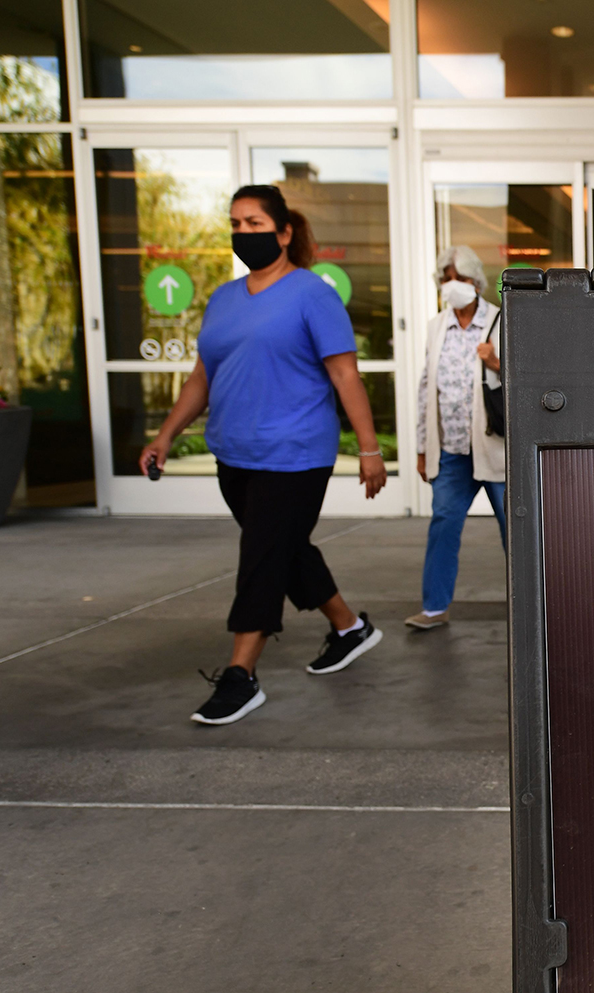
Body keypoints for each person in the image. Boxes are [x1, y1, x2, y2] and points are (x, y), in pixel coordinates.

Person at [141, 184, 387, 726]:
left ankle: (241, 674)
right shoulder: (224, 299)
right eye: (236, 224)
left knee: (260, 559)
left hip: (296, 453)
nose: (243, 233)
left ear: (284, 231)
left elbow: (345, 373)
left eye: (254, 223)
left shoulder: (311, 294)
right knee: (283, 548)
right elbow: (202, 378)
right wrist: (165, 436)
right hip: (235, 454)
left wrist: (370, 450)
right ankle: (351, 629)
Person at [403, 245, 506, 631]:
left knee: (514, 530)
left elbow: (529, 384)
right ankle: (434, 607)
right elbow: (426, 387)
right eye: (447, 279)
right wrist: (421, 446)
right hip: (451, 450)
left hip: (494, 448)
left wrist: (497, 363)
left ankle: (532, 606)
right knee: (443, 523)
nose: (453, 286)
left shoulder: (500, 321)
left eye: (460, 278)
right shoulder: (437, 326)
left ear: (476, 282)